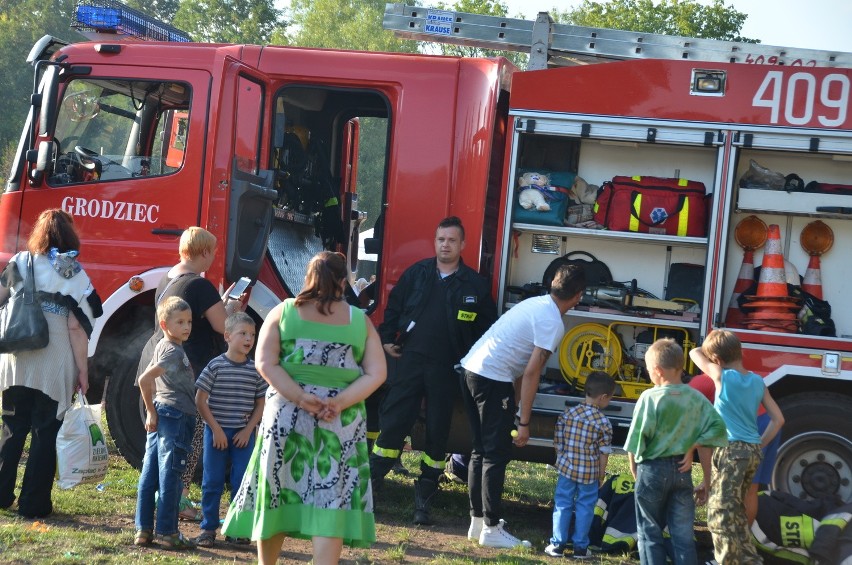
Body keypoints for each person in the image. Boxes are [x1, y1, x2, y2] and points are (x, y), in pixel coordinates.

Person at [222, 251, 386, 565]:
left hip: (286, 414)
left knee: (276, 492)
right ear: (342, 282)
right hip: (340, 420)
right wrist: (338, 402)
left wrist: (299, 397)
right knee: (330, 498)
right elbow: (377, 373)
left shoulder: (283, 312)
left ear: (308, 278)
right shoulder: (358, 321)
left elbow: (265, 362)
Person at [370, 216, 496, 525]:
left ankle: (423, 500)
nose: (445, 245)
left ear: (463, 245)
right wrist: (386, 340)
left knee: (438, 436)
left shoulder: (475, 286)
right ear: (435, 241)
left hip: (447, 369)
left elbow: (488, 330)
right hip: (410, 362)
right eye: (441, 239)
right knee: (393, 426)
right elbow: (394, 308)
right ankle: (368, 493)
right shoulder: (418, 274)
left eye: (452, 240)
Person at [459, 263, 586, 549]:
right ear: (578, 295)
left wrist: (515, 407)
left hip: (471, 370)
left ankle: (477, 522)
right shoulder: (553, 322)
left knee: (479, 451)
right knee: (495, 455)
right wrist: (524, 422)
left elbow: (518, 363)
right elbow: (531, 372)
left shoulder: (536, 303)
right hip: (492, 378)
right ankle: (491, 529)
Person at [0, 209, 101, 519]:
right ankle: (33, 504)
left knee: (11, 427)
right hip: (53, 360)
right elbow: (76, 325)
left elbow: (1, 296)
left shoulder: (20, 261)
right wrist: (83, 370)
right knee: (45, 431)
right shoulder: (73, 271)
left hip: (16, 356)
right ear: (69, 237)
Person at [137, 226, 242, 520]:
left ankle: (162, 499)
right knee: (189, 436)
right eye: (213, 252)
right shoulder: (199, 285)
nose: (213, 258)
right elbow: (224, 327)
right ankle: (179, 500)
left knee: (161, 441)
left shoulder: (168, 277)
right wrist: (231, 308)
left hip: (159, 362)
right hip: (188, 368)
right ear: (205, 252)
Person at [624, 338, 728, 565]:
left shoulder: (649, 397)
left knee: (649, 531)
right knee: (682, 536)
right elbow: (719, 428)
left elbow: (635, 441)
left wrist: (635, 472)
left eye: (649, 370)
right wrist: (693, 445)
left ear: (658, 371)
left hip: (651, 470)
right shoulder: (696, 397)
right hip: (683, 471)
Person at [689, 329, 785, 565]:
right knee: (738, 514)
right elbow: (779, 419)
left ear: (717, 360)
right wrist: (759, 443)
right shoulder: (757, 381)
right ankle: (748, 560)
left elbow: (694, 352)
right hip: (752, 451)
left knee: (720, 514)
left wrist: (711, 356)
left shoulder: (721, 375)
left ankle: (725, 561)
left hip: (730, 451)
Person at [192, 312, 267, 548]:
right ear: (227, 336)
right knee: (212, 481)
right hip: (216, 434)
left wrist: (248, 430)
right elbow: (200, 400)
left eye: (252, 335)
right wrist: (216, 429)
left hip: (243, 435)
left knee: (242, 481)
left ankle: (236, 529)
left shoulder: (255, 370)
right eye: (243, 333)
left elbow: (261, 403)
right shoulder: (215, 366)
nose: (248, 339)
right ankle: (208, 529)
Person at [134, 296, 198, 550]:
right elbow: (144, 379)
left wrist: (153, 411)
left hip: (164, 414)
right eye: (180, 321)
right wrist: (150, 410)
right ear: (164, 324)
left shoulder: (163, 345)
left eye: (189, 321)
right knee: (171, 474)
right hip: (175, 416)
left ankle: (144, 530)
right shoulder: (172, 350)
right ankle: (168, 532)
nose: (187, 326)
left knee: (150, 473)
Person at [687, 373, 783, 527]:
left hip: (751, 428)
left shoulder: (698, 386)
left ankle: (727, 540)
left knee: (730, 492)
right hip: (768, 424)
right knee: (750, 490)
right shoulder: (746, 376)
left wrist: (708, 480)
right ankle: (743, 540)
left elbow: (703, 442)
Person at [546, 371, 616, 560]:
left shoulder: (568, 414)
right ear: (603, 397)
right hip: (589, 474)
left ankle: (557, 545)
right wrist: (601, 475)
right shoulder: (604, 422)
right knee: (585, 507)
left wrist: (560, 462)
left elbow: (558, 443)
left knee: (562, 503)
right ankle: (580, 548)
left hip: (567, 470)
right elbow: (604, 453)